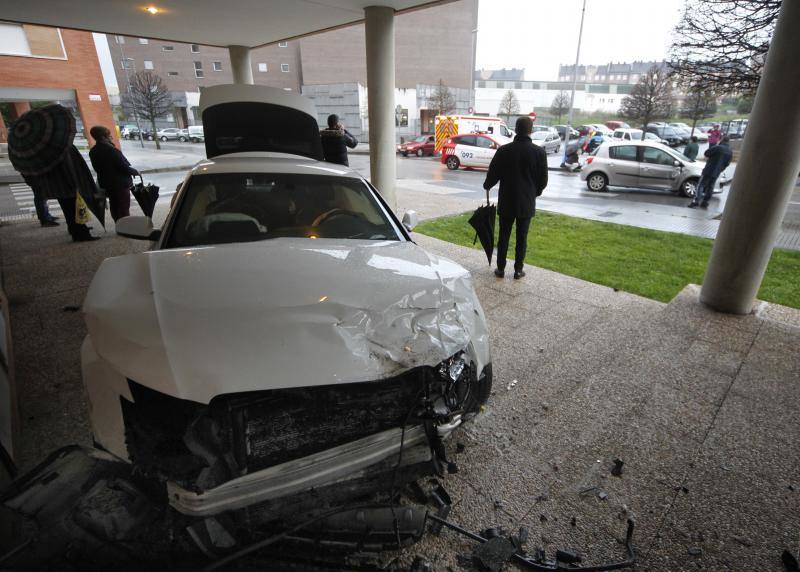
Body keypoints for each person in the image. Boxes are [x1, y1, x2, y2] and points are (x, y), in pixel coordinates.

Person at [483, 116, 548, 280]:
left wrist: (487, 185)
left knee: (504, 236)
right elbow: (543, 180)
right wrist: (534, 193)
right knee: (522, 237)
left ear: (515, 130)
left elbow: (493, 175)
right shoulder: (539, 152)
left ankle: (500, 269)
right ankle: (518, 270)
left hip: (507, 201)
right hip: (526, 202)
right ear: (530, 131)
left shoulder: (504, 150)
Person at [88, 125, 139, 222]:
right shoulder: (111, 150)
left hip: (107, 184)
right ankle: (125, 226)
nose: (111, 137)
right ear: (103, 137)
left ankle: (118, 224)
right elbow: (123, 167)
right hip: (120, 184)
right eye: (109, 136)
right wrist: (136, 172)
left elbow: (97, 168)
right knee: (123, 207)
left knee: (115, 206)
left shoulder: (93, 151)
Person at [689, 135, 733, 209]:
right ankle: (705, 202)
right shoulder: (730, 151)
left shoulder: (718, 147)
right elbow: (727, 163)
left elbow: (706, 153)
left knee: (701, 185)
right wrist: (720, 169)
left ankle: (696, 201)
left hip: (708, 169)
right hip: (717, 172)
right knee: (710, 186)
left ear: (721, 140)